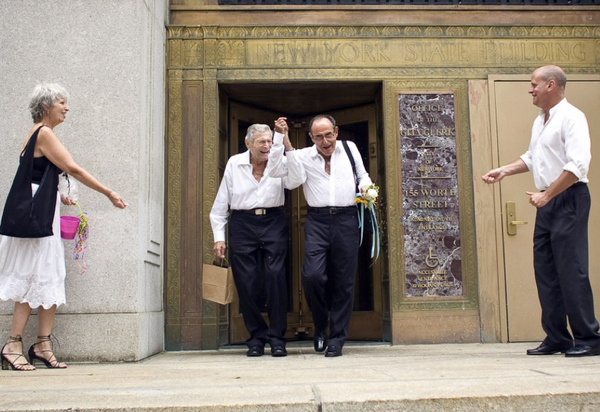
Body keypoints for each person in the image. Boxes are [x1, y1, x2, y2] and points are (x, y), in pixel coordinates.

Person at [0, 83, 127, 371]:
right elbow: (73, 168)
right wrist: (108, 193)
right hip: (36, 216)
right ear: (45, 107)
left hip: (42, 211)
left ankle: (42, 344)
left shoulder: (41, 135)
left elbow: (40, 176)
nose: (67, 108)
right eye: (61, 102)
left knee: (49, 275)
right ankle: (13, 343)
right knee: (32, 275)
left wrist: (61, 195)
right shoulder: (43, 133)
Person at [482, 65, 600, 357]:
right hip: (548, 201)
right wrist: (505, 170)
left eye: (534, 84)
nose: (530, 89)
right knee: (546, 271)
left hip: (568, 198)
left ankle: (589, 338)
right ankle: (557, 337)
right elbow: (534, 157)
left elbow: (577, 166)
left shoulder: (572, 117)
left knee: (571, 269)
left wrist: (547, 194)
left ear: (551, 85)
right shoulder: (540, 121)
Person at [269, 114, 372, 357]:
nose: (325, 141)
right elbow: (278, 173)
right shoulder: (303, 155)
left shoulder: (349, 148)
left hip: (347, 219)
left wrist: (366, 187)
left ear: (336, 132)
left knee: (344, 281)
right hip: (316, 219)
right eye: (319, 136)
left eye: (328, 135)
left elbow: (363, 174)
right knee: (313, 275)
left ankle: (337, 338)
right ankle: (320, 326)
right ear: (311, 137)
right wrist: (281, 141)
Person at [209, 120, 294, 357]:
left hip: (274, 220)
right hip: (242, 223)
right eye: (262, 142)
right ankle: (256, 337)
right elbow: (220, 205)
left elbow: (296, 180)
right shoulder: (234, 163)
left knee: (276, 278)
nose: (267, 146)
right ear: (248, 143)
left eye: (269, 141)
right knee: (247, 282)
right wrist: (219, 237)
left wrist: (285, 144)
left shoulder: (279, 161)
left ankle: (277, 338)